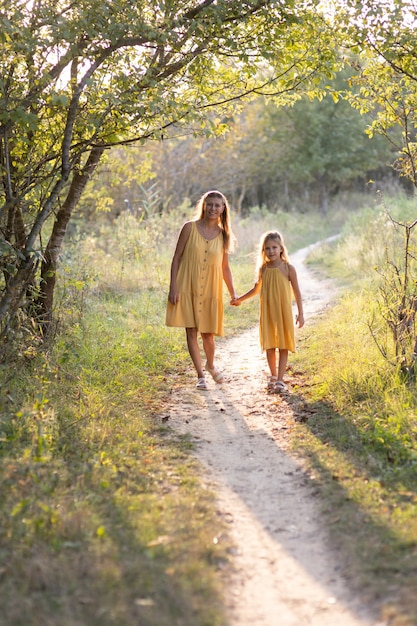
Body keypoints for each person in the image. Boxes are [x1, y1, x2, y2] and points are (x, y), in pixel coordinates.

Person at [166, 190, 237, 390]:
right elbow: (177, 258)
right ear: (203, 205)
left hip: (210, 291)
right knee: (191, 331)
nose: (213, 208)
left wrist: (233, 293)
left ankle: (210, 365)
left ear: (223, 209)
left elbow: (224, 268)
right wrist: (173, 287)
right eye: (210, 204)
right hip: (187, 286)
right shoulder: (189, 228)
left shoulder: (224, 235)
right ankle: (200, 376)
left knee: (208, 335)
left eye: (217, 205)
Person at [231, 231, 304, 393]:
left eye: (274, 247)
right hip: (268, 312)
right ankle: (273, 375)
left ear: (281, 249)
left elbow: (297, 292)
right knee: (270, 344)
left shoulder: (288, 268)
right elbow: (255, 289)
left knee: (283, 344)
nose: (271, 251)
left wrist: (301, 313)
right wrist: (240, 299)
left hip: (283, 311)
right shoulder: (263, 269)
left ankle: (280, 379)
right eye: (267, 248)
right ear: (263, 251)